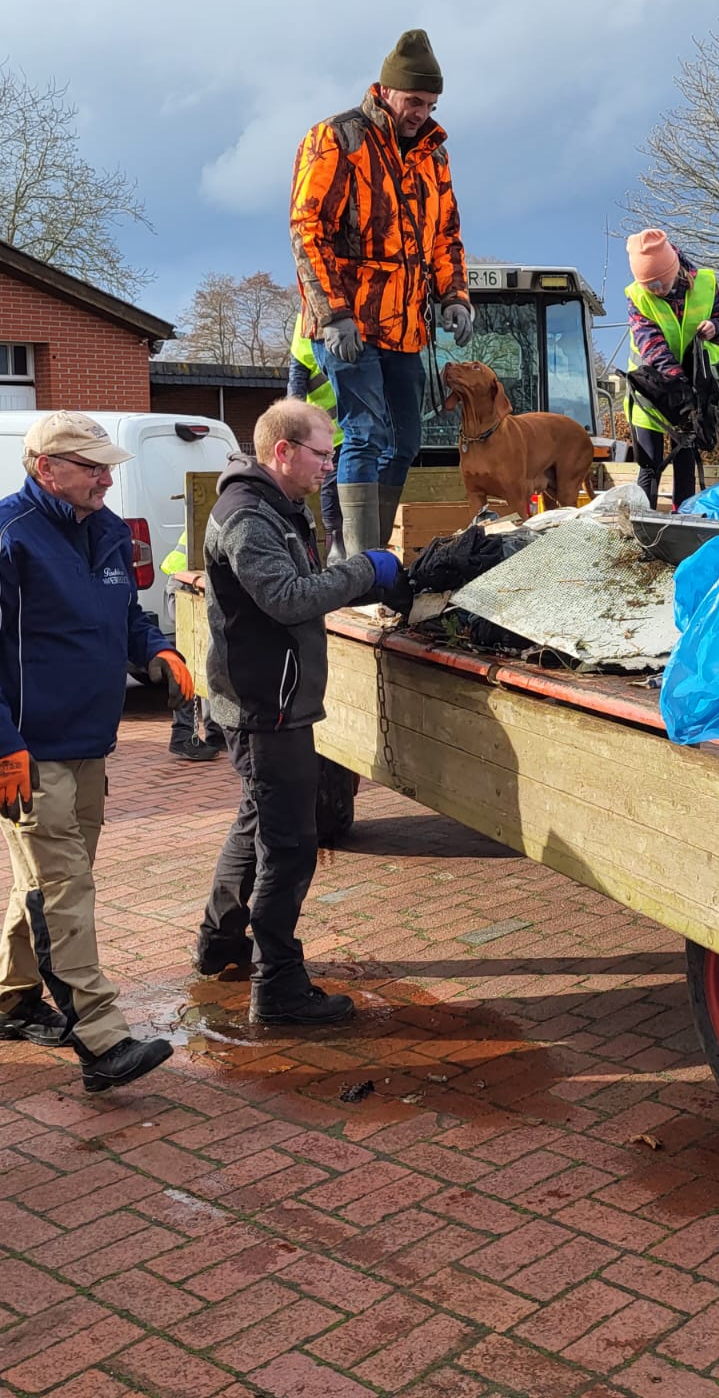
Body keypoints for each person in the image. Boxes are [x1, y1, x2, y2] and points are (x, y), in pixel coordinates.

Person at [196, 398, 412, 1025]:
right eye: (322, 452)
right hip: (268, 707)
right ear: (282, 451)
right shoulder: (246, 517)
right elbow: (287, 599)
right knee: (288, 848)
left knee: (253, 824)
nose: (330, 464)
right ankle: (280, 989)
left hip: (270, 699)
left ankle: (218, 946)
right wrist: (363, 572)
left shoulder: (277, 507)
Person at [0, 411, 189, 1092]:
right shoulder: (8, 537)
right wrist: (4, 747)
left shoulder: (106, 529)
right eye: (91, 467)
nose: (106, 478)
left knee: (50, 886)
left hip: (90, 746)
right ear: (45, 468)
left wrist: (155, 648)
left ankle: (13, 998)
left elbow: (124, 614)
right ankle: (102, 1040)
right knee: (65, 890)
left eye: (108, 466)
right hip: (28, 754)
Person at [291, 28, 473, 559]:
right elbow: (308, 227)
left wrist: (455, 295)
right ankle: (356, 562)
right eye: (414, 100)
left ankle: (368, 555)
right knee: (364, 434)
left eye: (431, 103)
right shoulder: (337, 138)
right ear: (386, 90)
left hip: (405, 327)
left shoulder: (433, 157)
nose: (422, 112)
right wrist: (333, 313)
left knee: (406, 444)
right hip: (349, 323)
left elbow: (444, 236)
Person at [624, 229, 719, 510]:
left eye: (659, 283)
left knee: (685, 461)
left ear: (674, 269)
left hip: (694, 391)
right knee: (649, 465)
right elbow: (653, 347)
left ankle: (681, 518)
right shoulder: (638, 297)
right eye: (649, 285)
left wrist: (715, 328)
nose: (656, 290)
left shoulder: (707, 285)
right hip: (651, 392)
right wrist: (680, 386)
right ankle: (643, 524)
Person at [160, 530, 226, 761]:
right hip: (184, 585)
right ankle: (183, 733)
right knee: (193, 659)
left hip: (191, 583)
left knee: (209, 657)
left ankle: (214, 731)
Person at [286, 314, 345, 561]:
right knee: (330, 487)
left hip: (355, 429)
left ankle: (342, 543)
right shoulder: (309, 323)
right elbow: (295, 389)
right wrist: (294, 430)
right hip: (328, 435)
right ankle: (335, 542)